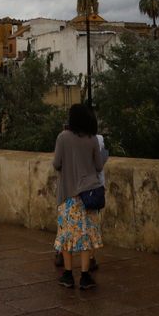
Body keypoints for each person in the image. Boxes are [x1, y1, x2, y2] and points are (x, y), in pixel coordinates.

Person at [52, 103, 104, 291]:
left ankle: (67, 275)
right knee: (85, 237)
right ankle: (84, 276)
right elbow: (99, 166)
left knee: (66, 237)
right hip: (88, 196)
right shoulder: (92, 139)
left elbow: (56, 163)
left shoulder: (62, 137)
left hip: (67, 195)